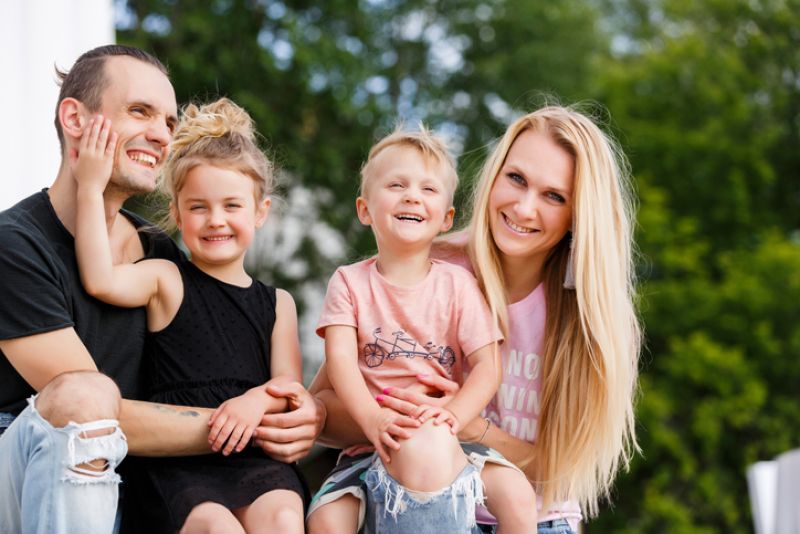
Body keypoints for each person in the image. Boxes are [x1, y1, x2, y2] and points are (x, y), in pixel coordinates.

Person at [0, 45, 323, 534]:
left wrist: (301, 414)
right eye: (139, 111)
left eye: (169, 121)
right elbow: (96, 420)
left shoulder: (161, 252)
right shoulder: (14, 246)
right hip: (28, 478)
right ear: (75, 118)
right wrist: (251, 425)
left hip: (144, 479)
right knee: (87, 398)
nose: (160, 134)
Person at [310, 105, 641, 533]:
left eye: (553, 196)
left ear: (579, 214)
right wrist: (401, 411)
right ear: (494, 175)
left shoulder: (593, 320)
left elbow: (561, 468)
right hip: (421, 506)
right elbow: (322, 413)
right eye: (516, 179)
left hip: (537, 519)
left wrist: (470, 425)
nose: (523, 208)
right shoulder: (426, 268)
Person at [72, 98, 306, 532]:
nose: (216, 220)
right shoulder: (165, 278)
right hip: (178, 463)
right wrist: (89, 189)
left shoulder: (279, 304)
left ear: (260, 212)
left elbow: (286, 386)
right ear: (178, 214)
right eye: (198, 207)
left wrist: (255, 400)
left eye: (232, 206)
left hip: (251, 455)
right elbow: (100, 280)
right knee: (218, 528)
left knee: (285, 517)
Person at [307, 128, 538, 534]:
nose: (412, 196)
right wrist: (373, 419)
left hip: (451, 445)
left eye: (428, 189)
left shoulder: (458, 285)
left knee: (518, 495)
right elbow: (340, 361)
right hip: (369, 447)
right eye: (396, 185)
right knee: (327, 520)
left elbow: (488, 366)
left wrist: (452, 416)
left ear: (446, 218)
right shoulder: (348, 283)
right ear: (365, 209)